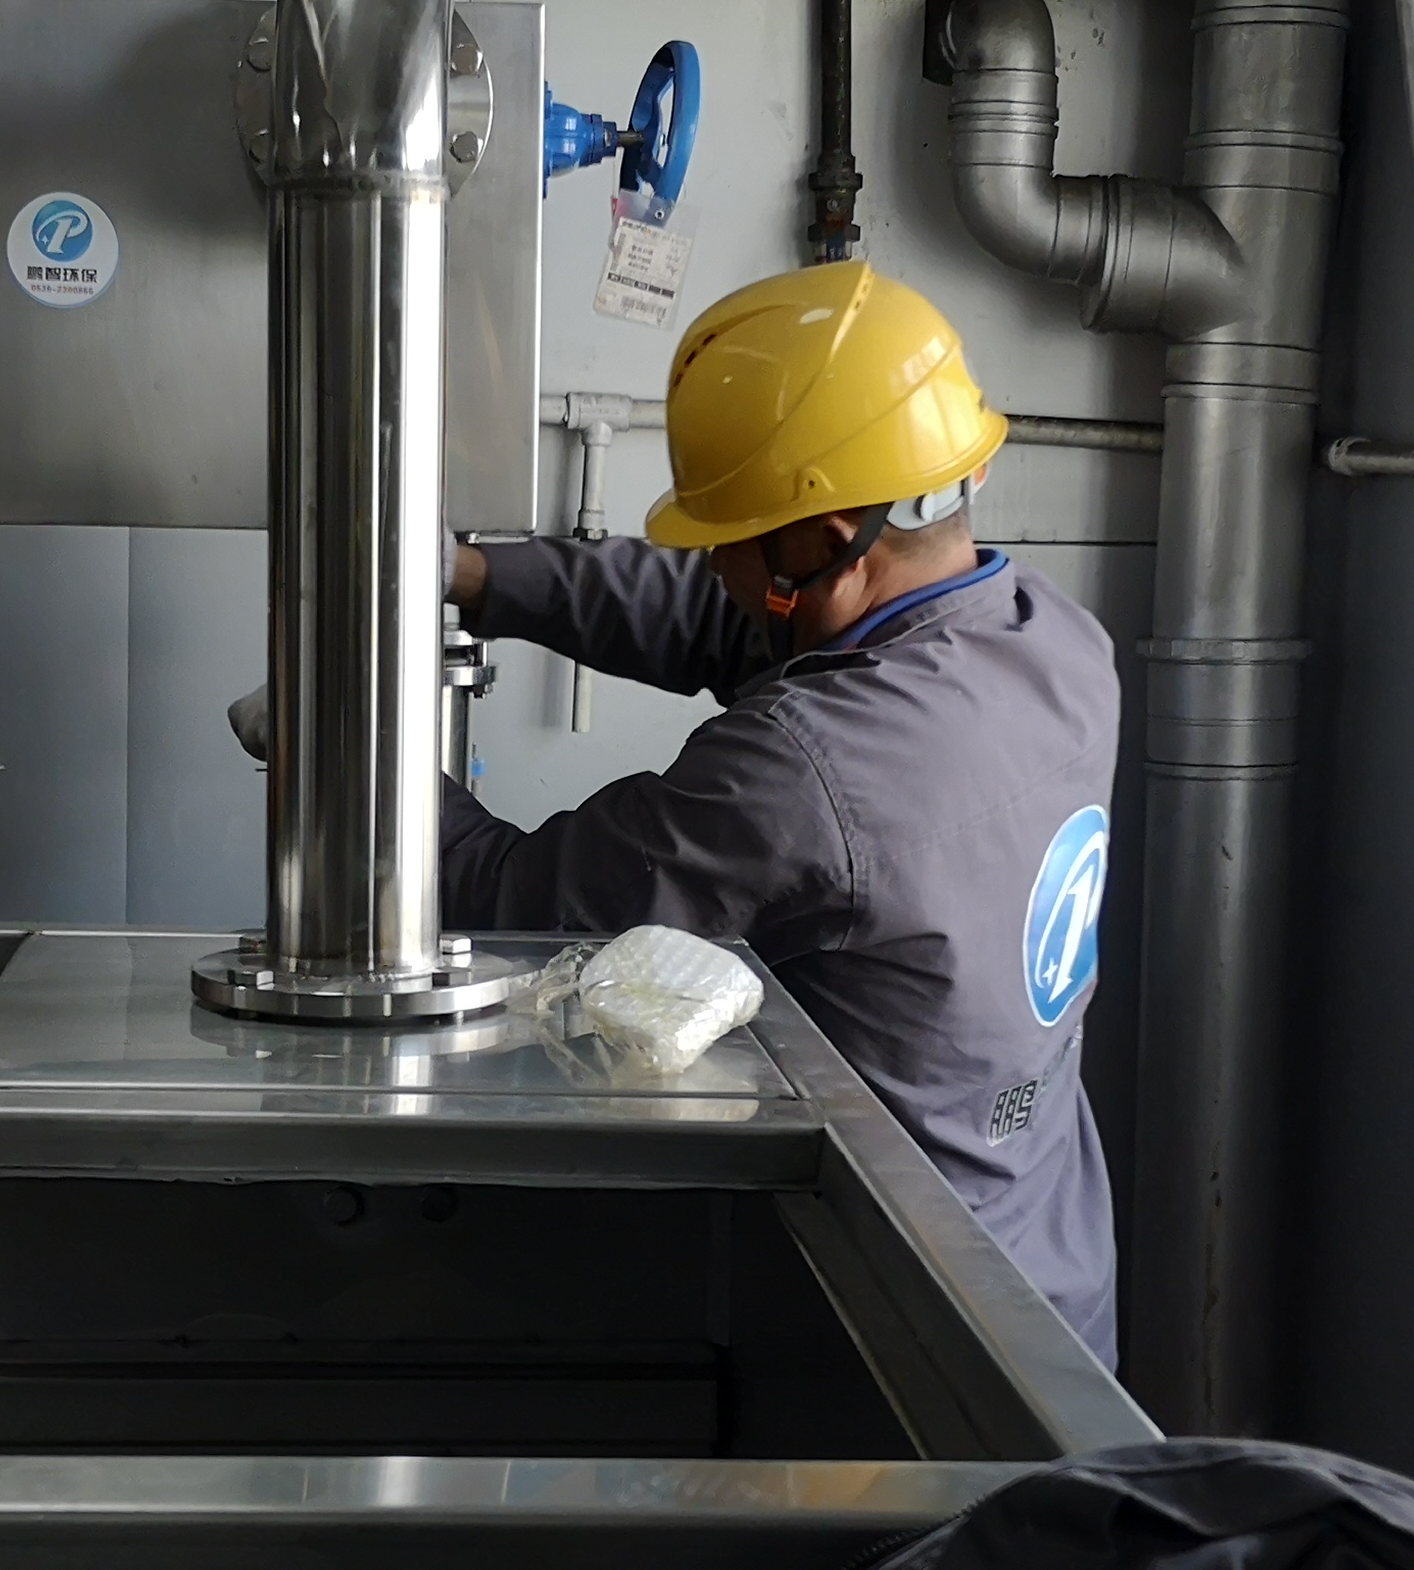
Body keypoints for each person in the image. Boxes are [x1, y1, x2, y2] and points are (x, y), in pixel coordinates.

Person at [437, 261, 1126, 1367]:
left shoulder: (807, 770)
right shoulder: (1051, 637)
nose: (713, 563)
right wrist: (476, 576)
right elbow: (720, 621)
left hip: (906, 1316)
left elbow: (514, 903)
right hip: (1050, 1262)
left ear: (826, 540)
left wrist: (352, 748)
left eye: (732, 538)